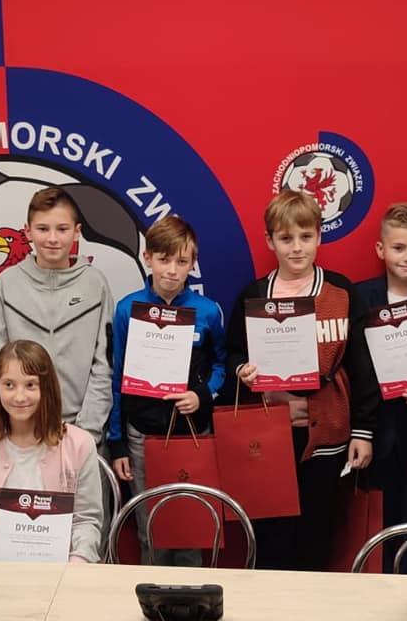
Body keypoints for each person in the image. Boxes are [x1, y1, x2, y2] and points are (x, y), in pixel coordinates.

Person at [226, 189, 378, 571]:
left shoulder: (341, 293)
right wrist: (241, 371)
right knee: (270, 541)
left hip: (327, 435)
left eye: (306, 236)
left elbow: (362, 366)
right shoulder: (254, 295)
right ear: (270, 241)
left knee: (317, 538)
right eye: (286, 238)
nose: (296, 248)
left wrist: (363, 431)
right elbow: (233, 353)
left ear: (319, 236)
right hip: (270, 438)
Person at [107, 215, 226, 565]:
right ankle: (152, 593)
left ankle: (192, 595)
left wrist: (201, 395)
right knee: (151, 530)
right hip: (142, 435)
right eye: (164, 259)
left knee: (190, 526)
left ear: (193, 263)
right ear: (148, 259)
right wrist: (117, 442)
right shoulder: (127, 309)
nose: (172, 270)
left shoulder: (208, 311)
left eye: (182, 261)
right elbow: (117, 377)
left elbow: (221, 365)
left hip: (191, 433)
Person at [0, 340, 103, 562]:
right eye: (9, 385)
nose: (19, 397)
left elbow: (86, 521)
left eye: (31, 385)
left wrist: (76, 564)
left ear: (47, 388)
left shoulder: (80, 445)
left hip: (60, 571)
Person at [0, 187, 113, 444]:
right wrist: (22, 426)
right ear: (28, 232)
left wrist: (87, 433)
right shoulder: (6, 284)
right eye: (43, 229)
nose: (53, 238)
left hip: (82, 432)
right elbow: (1, 364)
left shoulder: (96, 284)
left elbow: (104, 365)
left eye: (62, 229)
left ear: (77, 231)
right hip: (23, 431)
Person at [354, 202, 407, 573]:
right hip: (378, 428)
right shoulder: (361, 297)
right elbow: (354, 365)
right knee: (380, 522)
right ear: (381, 249)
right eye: (399, 248)